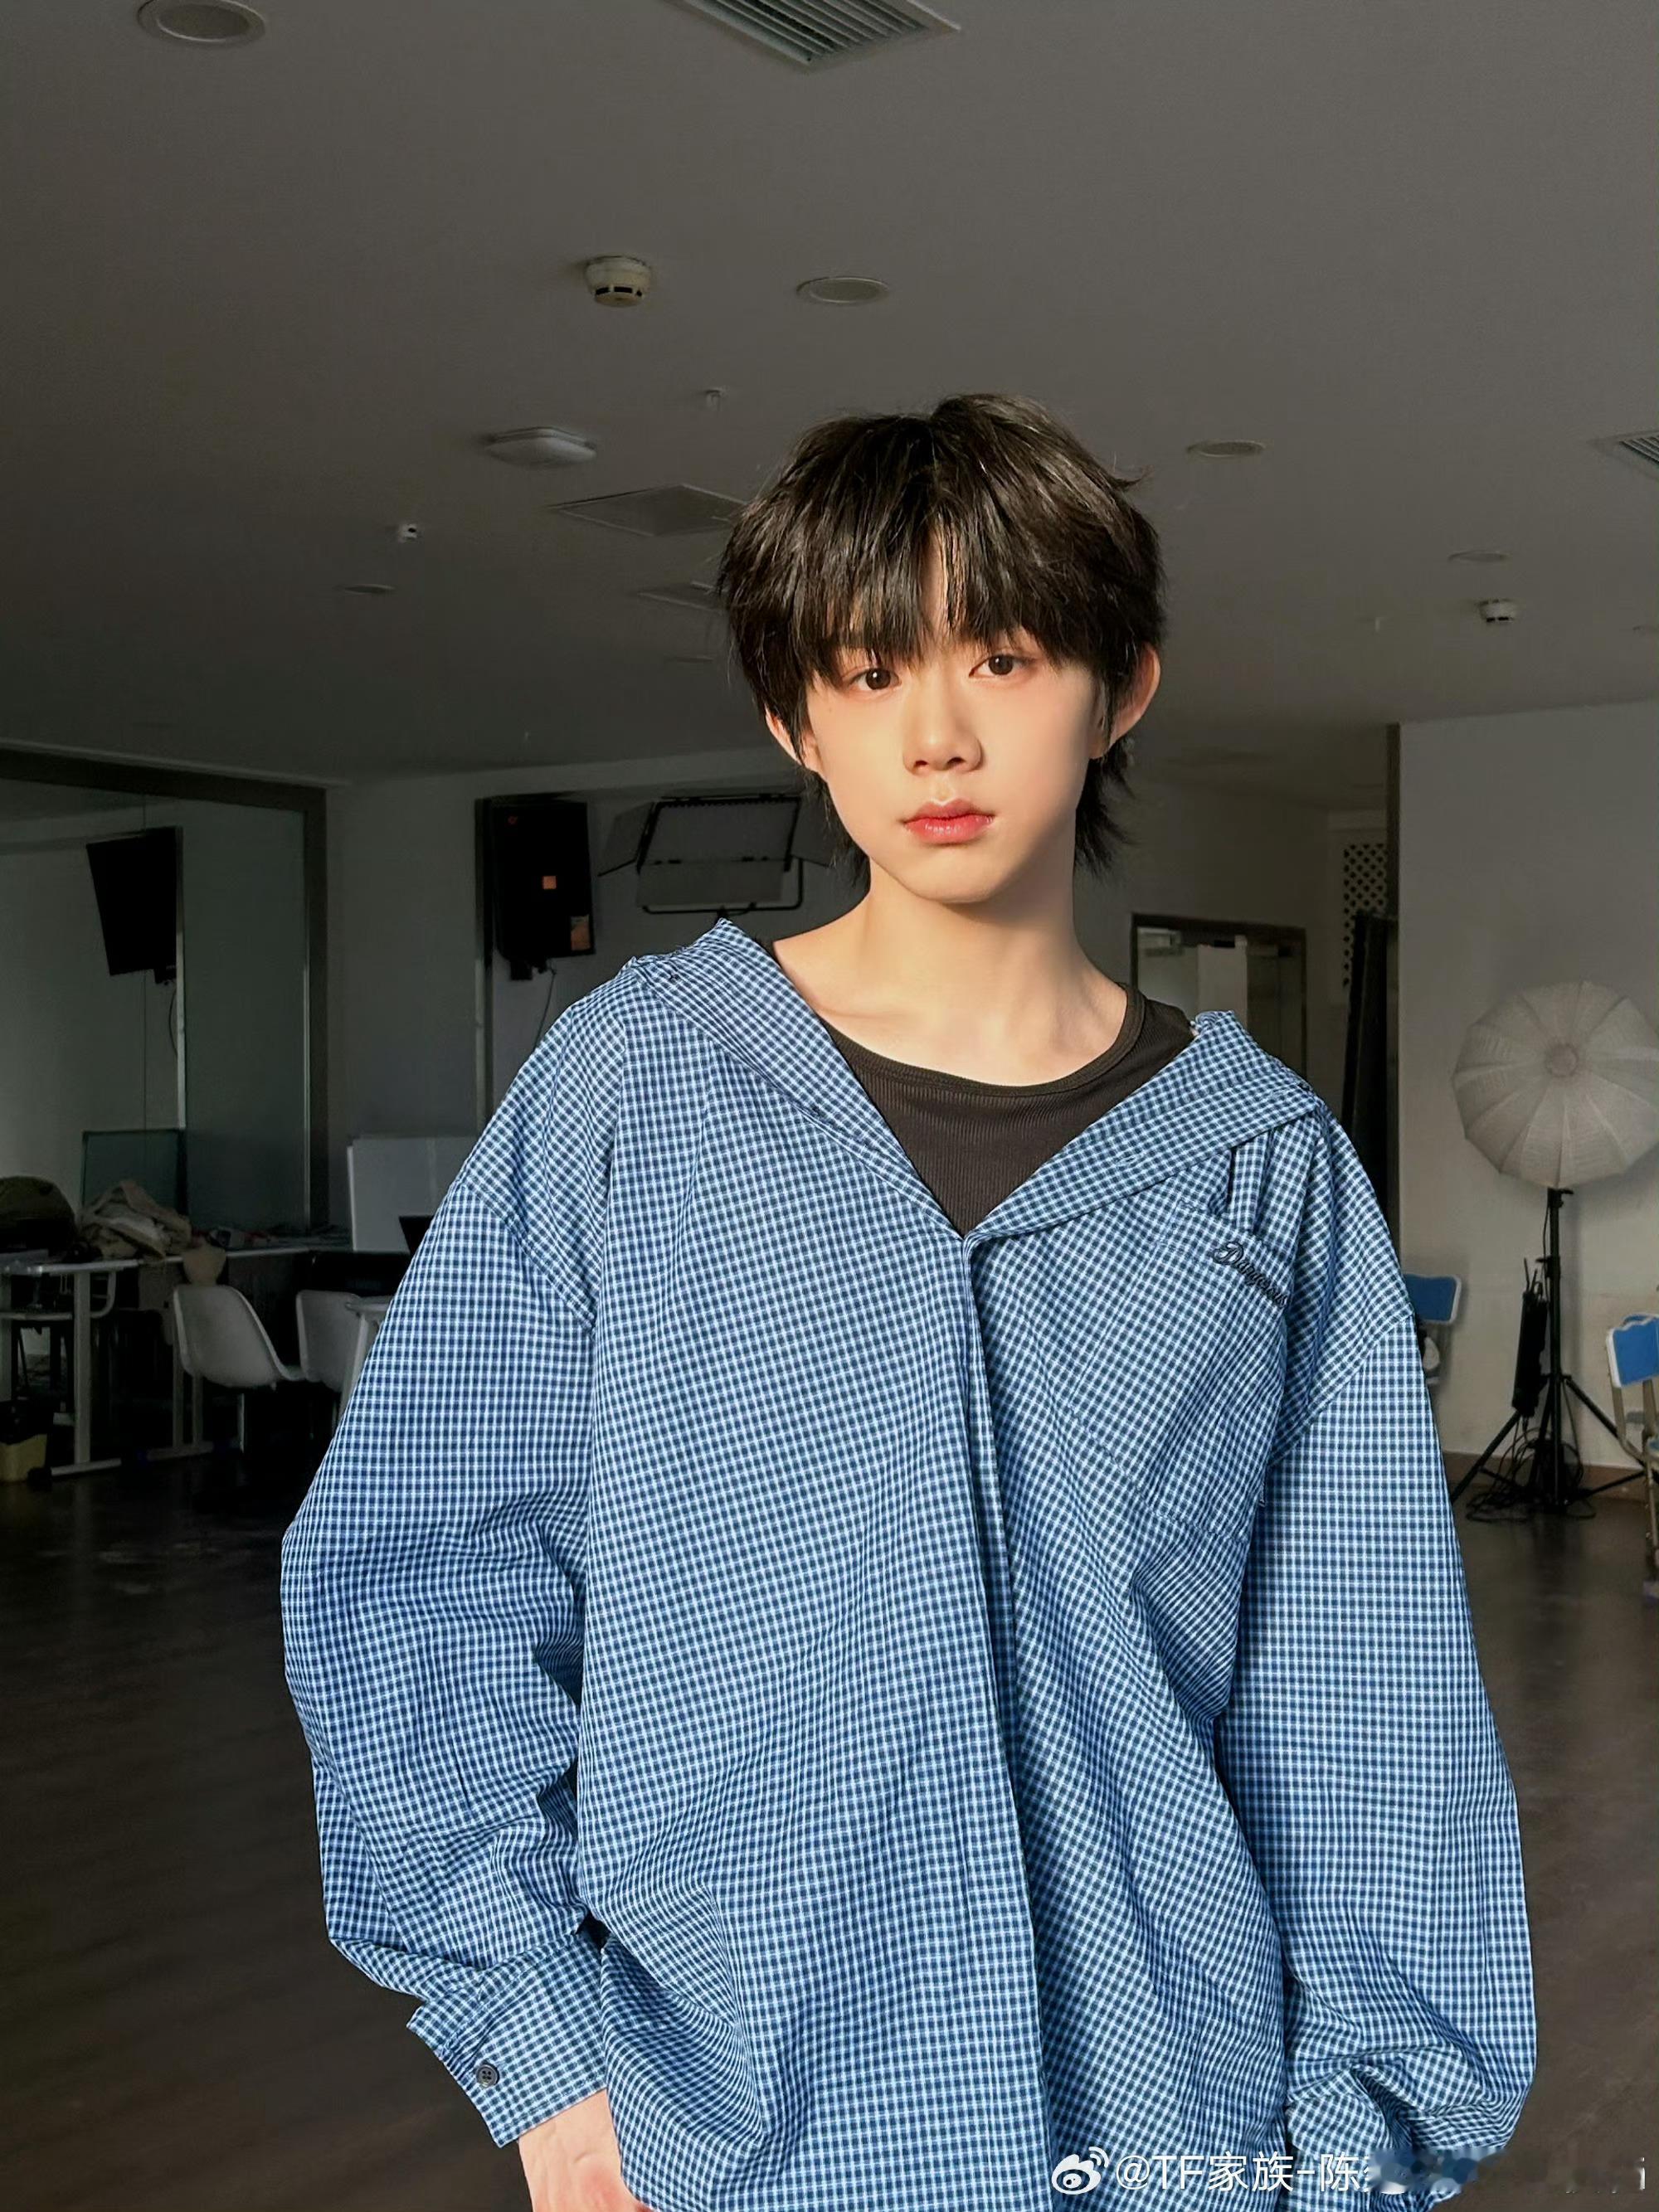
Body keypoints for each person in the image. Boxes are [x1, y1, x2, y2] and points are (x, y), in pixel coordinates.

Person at [280, 394, 1536, 2212]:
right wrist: (547, 2058)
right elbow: (420, 1575)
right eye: (868, 673)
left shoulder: (1261, 1169)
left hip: (1165, 2121)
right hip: (721, 2119)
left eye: (1003, 658)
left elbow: (1369, 1716)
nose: (935, 734)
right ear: (794, 717)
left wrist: (1347, 2154)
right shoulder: (637, 1091)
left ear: (1119, 687)